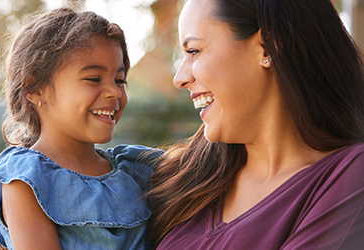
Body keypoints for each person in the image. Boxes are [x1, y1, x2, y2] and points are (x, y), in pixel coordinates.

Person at [146, 0, 364, 249]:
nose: (180, 78)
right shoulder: (186, 174)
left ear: (268, 47)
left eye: (194, 51)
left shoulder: (349, 178)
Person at [0, 7, 162, 250]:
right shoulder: (26, 180)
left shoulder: (138, 168)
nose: (115, 91)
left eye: (120, 80)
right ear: (34, 89)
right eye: (94, 79)